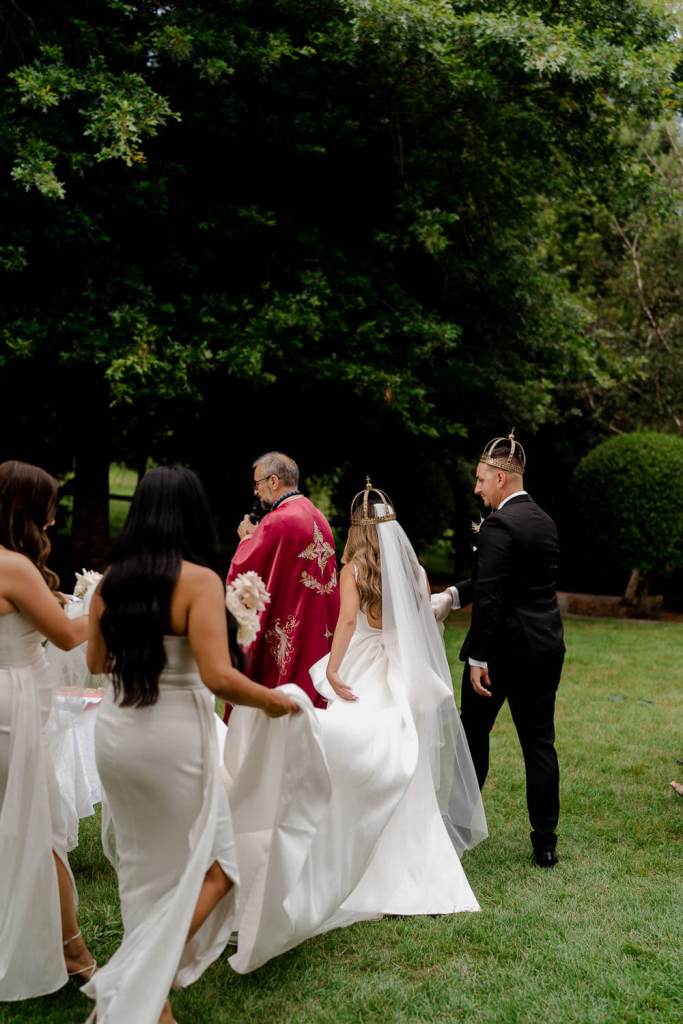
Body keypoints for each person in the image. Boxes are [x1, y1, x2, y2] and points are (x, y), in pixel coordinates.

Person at [225, 482, 487, 974]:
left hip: (366, 667)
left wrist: (336, 671)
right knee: (403, 762)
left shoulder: (355, 570)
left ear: (356, 529)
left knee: (350, 764)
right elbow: (419, 623)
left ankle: (350, 856)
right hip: (400, 673)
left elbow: (345, 623)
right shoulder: (413, 570)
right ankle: (419, 871)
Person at [84, 466, 299, 1024]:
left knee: (143, 867)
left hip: (115, 734)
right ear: (191, 515)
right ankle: (135, 978)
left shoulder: (111, 582)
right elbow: (219, 678)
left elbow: (93, 663)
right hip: (171, 738)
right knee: (222, 864)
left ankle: (153, 1006)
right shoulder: (198, 581)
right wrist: (274, 701)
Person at [435, 432, 565, 869]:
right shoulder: (544, 521)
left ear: (503, 478)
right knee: (540, 742)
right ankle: (545, 842)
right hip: (545, 648)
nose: (477, 488)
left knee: (472, 735)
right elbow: (509, 583)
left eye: (481, 480)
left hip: (502, 655)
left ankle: (457, 828)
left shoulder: (498, 525)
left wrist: (477, 659)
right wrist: (452, 594)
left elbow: (490, 598)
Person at [0, 460, 96, 1000]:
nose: (55, 521)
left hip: (8, 696)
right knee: (41, 831)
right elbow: (65, 637)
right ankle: (74, 952)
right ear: (27, 510)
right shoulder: (15, 567)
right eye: (49, 510)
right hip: (15, 703)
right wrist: (103, 606)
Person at [226, 452, 339, 710]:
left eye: (257, 484)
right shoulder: (318, 517)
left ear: (273, 481)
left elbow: (246, 571)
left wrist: (246, 539)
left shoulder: (278, 520)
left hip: (285, 628)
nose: (256, 492)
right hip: (317, 629)